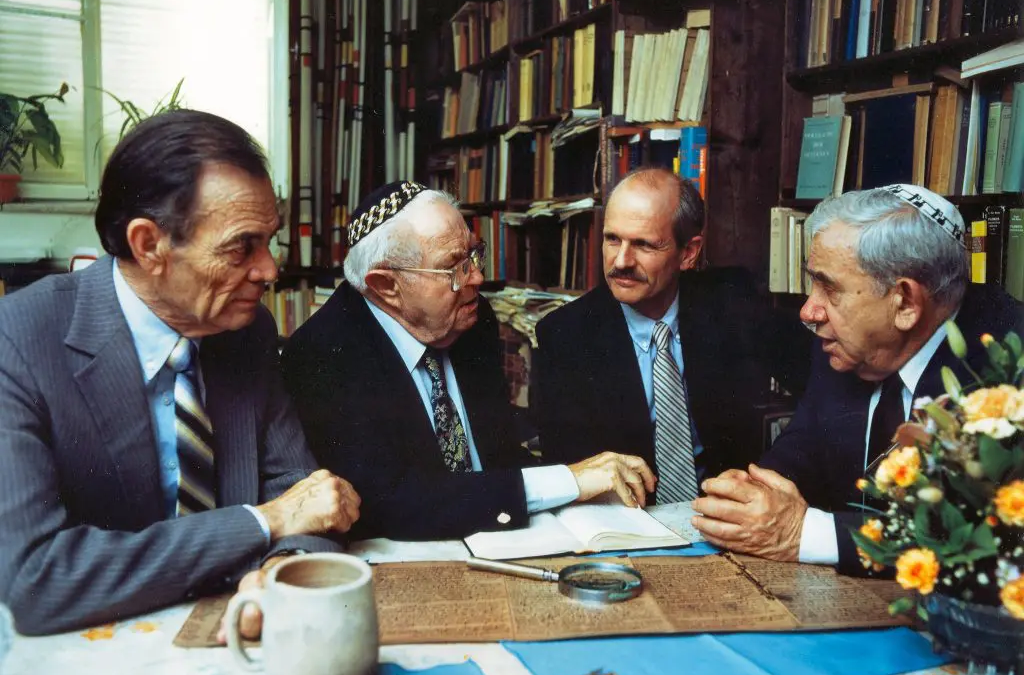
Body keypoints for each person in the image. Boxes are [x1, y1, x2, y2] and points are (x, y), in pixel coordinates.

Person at [0, 110, 361, 636]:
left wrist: (281, 573)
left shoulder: (246, 330)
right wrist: (264, 522)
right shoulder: (19, 339)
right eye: (242, 246)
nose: (269, 270)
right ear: (150, 245)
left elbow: (302, 494)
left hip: (232, 631)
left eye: (269, 240)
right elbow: (37, 579)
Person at [282, 180, 656, 540]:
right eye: (455, 267)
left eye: (474, 253)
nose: (477, 276)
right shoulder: (322, 356)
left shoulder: (472, 319)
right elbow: (389, 500)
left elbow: (496, 452)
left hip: (499, 538)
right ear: (386, 286)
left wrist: (582, 481)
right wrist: (568, 480)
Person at [692, 184, 1024, 572]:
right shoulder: (846, 347)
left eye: (829, 289)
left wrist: (806, 534)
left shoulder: (1007, 369)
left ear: (904, 303)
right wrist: (750, 497)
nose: (808, 311)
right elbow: (802, 451)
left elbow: (983, 535)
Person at [532, 168, 810, 504]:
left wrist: (773, 471)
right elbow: (566, 466)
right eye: (612, 239)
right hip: (624, 523)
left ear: (689, 253)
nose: (620, 261)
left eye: (644, 245)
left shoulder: (732, 306)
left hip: (726, 517)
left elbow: (823, 385)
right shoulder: (565, 335)